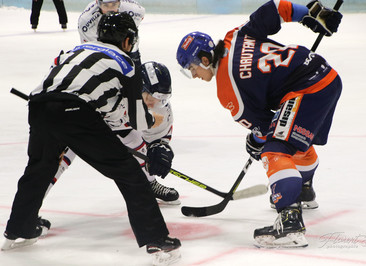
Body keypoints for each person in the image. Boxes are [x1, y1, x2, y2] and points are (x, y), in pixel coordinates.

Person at [2, 12, 181, 265]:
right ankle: (156, 239)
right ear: (128, 41)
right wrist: (153, 125)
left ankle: (18, 228)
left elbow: (62, 82)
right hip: (76, 112)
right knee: (129, 172)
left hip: (39, 105)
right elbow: (139, 119)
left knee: (39, 168)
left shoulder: (73, 50)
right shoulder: (126, 63)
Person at [176, 0, 342, 248]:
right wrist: (311, 14)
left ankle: (289, 221)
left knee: (275, 149)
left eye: (192, 68)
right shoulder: (235, 36)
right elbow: (276, 8)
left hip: (305, 89)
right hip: (326, 76)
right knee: (293, 139)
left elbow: (264, 128)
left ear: (204, 59)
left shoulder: (227, 90)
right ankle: (304, 189)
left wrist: (255, 141)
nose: (195, 76)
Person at [51, 0, 179, 204]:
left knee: (135, 141)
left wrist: (161, 147)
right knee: (61, 153)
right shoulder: (90, 29)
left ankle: (148, 183)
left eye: (161, 99)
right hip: (78, 109)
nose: (156, 103)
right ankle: (34, 204)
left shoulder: (151, 98)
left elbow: (156, 133)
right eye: (151, 97)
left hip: (93, 104)